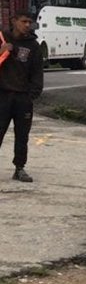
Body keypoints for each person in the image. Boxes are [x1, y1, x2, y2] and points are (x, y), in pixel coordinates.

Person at [0, 14, 43, 182]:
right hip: (2, 96)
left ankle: (19, 168)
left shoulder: (33, 46)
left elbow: (37, 73)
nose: (27, 25)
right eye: (23, 21)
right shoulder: (2, 39)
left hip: (23, 98)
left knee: (22, 136)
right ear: (14, 21)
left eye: (29, 22)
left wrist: (31, 95)